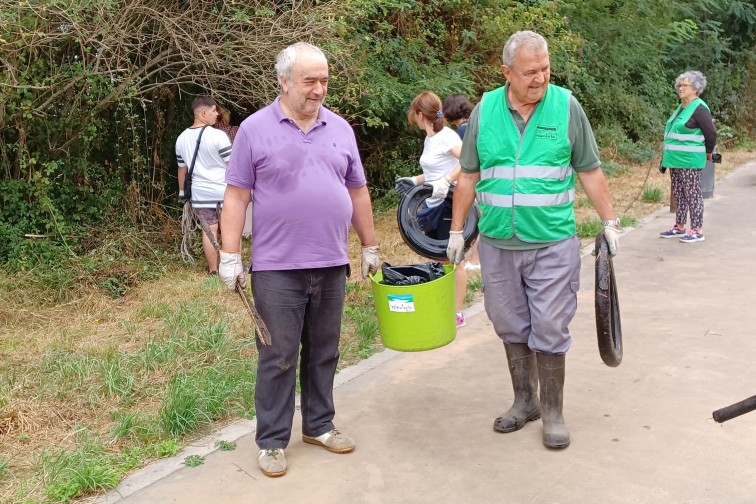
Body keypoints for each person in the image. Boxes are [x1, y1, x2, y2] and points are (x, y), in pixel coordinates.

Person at [446, 31, 621, 449]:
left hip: (552, 243)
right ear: (506, 72)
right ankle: (525, 402)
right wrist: (456, 231)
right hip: (498, 244)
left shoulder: (566, 107)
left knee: (548, 325)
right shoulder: (486, 109)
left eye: (545, 68)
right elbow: (468, 175)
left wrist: (610, 221)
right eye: (530, 72)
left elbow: (590, 170)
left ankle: (554, 411)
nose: (540, 78)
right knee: (509, 325)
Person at [218, 42, 380, 478]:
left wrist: (369, 245)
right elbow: (236, 194)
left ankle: (319, 426)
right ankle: (271, 441)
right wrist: (229, 255)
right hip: (276, 268)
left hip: (330, 262)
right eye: (309, 80)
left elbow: (357, 190)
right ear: (284, 81)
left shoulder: (340, 129)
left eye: (324, 80)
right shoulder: (254, 129)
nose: (319, 89)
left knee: (324, 350)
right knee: (278, 355)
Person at [396, 91, 468, 328]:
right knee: (440, 258)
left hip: (451, 202)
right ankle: (444, 306)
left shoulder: (448, 136)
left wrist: (448, 180)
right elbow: (433, 171)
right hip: (433, 202)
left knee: (453, 259)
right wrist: (414, 181)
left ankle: (457, 313)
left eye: (413, 115)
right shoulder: (431, 138)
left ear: (419, 114)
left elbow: (468, 161)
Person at [176, 95, 232, 274]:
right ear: (204, 112)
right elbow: (232, 165)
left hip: (200, 194)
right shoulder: (218, 136)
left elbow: (182, 170)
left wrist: (181, 192)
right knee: (230, 229)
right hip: (224, 191)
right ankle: (231, 267)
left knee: (209, 231)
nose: (217, 114)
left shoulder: (181, 139)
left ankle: (213, 270)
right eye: (214, 110)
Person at [659, 70, 717, 243]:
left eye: (685, 85)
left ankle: (697, 230)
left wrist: (707, 152)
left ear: (696, 88)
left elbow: (711, 134)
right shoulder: (681, 107)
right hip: (675, 160)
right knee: (679, 194)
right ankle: (680, 226)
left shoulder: (699, 108)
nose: (680, 88)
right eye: (680, 85)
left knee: (693, 194)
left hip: (690, 160)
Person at [443, 94, 481, 271]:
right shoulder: (473, 124)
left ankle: (475, 260)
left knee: (476, 220)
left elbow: (467, 161)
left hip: (473, 180)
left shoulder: (462, 130)